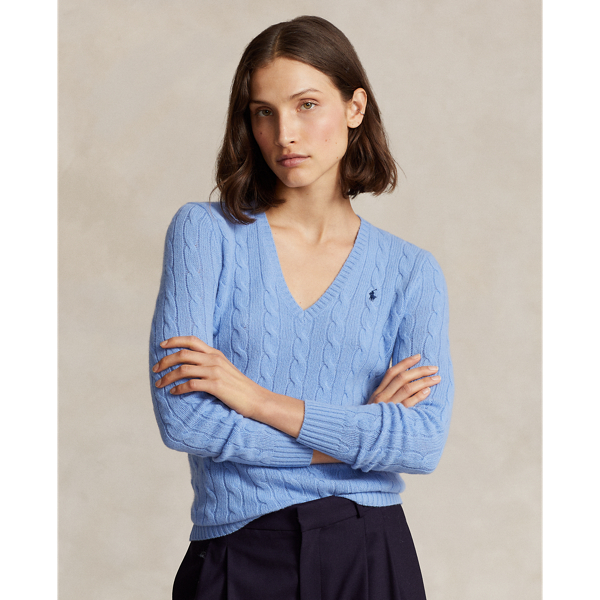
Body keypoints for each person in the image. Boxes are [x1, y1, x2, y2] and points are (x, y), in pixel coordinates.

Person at [150, 15, 453, 600]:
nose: (284, 133)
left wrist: (257, 400)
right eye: (263, 111)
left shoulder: (410, 272)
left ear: (354, 108)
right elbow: (185, 420)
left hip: (370, 551)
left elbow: (420, 442)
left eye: (307, 104)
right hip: (238, 549)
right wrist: (354, 434)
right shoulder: (206, 235)